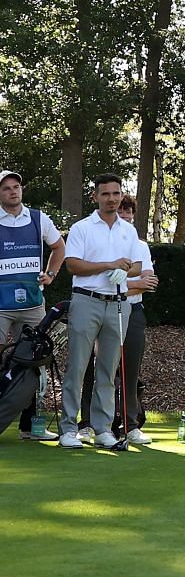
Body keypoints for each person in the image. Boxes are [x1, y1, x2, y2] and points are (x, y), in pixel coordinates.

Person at [60, 174, 138, 449]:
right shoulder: (82, 228)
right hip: (86, 301)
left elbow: (138, 266)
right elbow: (73, 265)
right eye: (106, 194)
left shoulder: (129, 230)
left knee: (108, 369)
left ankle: (102, 428)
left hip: (118, 302)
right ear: (95, 197)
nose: (112, 199)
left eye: (116, 193)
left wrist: (124, 268)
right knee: (78, 367)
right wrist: (109, 264)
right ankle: (69, 428)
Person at [82, 193, 157, 445]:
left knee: (130, 369)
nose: (124, 215)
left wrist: (124, 283)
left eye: (128, 211)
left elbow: (147, 282)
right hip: (102, 308)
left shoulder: (140, 245)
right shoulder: (100, 239)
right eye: (121, 210)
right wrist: (129, 282)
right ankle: (87, 423)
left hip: (132, 311)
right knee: (95, 368)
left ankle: (130, 424)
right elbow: (98, 282)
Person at [0, 169, 65, 440]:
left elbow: (59, 247)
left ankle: (31, 427)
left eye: (17, 186)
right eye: (6, 188)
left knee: (36, 363)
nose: (13, 191)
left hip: (32, 302)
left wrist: (50, 274)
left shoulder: (39, 218)